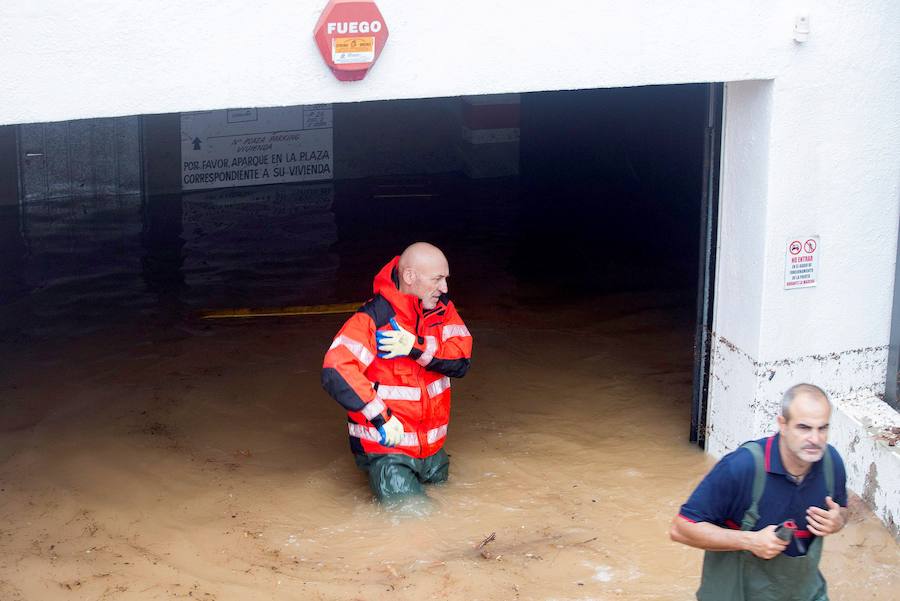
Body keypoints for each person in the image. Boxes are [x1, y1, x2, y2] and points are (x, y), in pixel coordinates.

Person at [321, 242, 473, 501]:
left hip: (433, 451)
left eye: (446, 279)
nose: (445, 288)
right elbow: (336, 369)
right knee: (412, 518)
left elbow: (461, 361)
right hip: (389, 451)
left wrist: (415, 348)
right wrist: (382, 417)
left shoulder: (442, 311)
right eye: (437, 279)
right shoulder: (374, 317)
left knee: (448, 503)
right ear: (410, 276)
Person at [669, 383, 848, 600]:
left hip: (805, 593)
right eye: (804, 428)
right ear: (782, 424)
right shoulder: (741, 468)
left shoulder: (831, 464)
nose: (815, 439)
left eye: (822, 428)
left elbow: (843, 510)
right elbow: (681, 529)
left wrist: (838, 521)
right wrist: (749, 541)